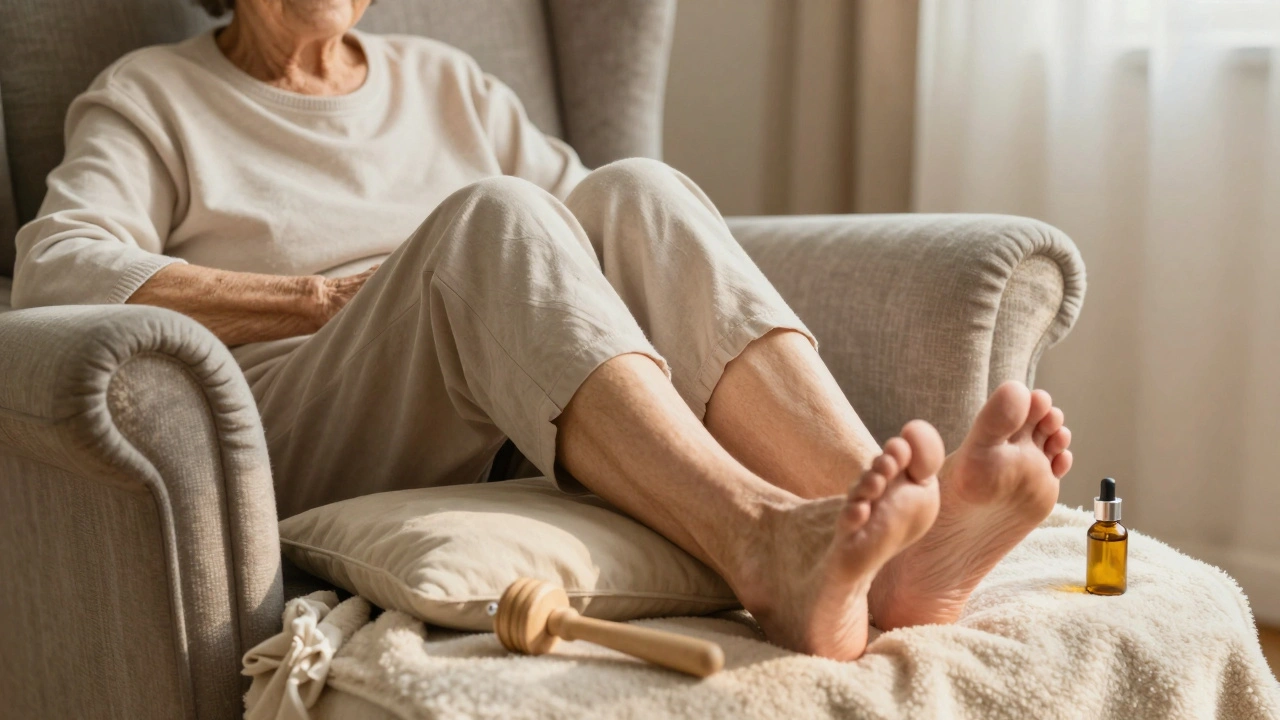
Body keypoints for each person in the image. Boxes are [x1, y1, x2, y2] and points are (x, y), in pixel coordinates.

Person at [11, 0, 1073, 661]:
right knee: (498, 215)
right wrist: (317, 300)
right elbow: (54, 269)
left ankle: (886, 540)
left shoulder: (444, 81)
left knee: (637, 190)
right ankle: (760, 544)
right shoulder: (154, 95)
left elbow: (598, 242)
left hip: (495, 385)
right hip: (296, 410)